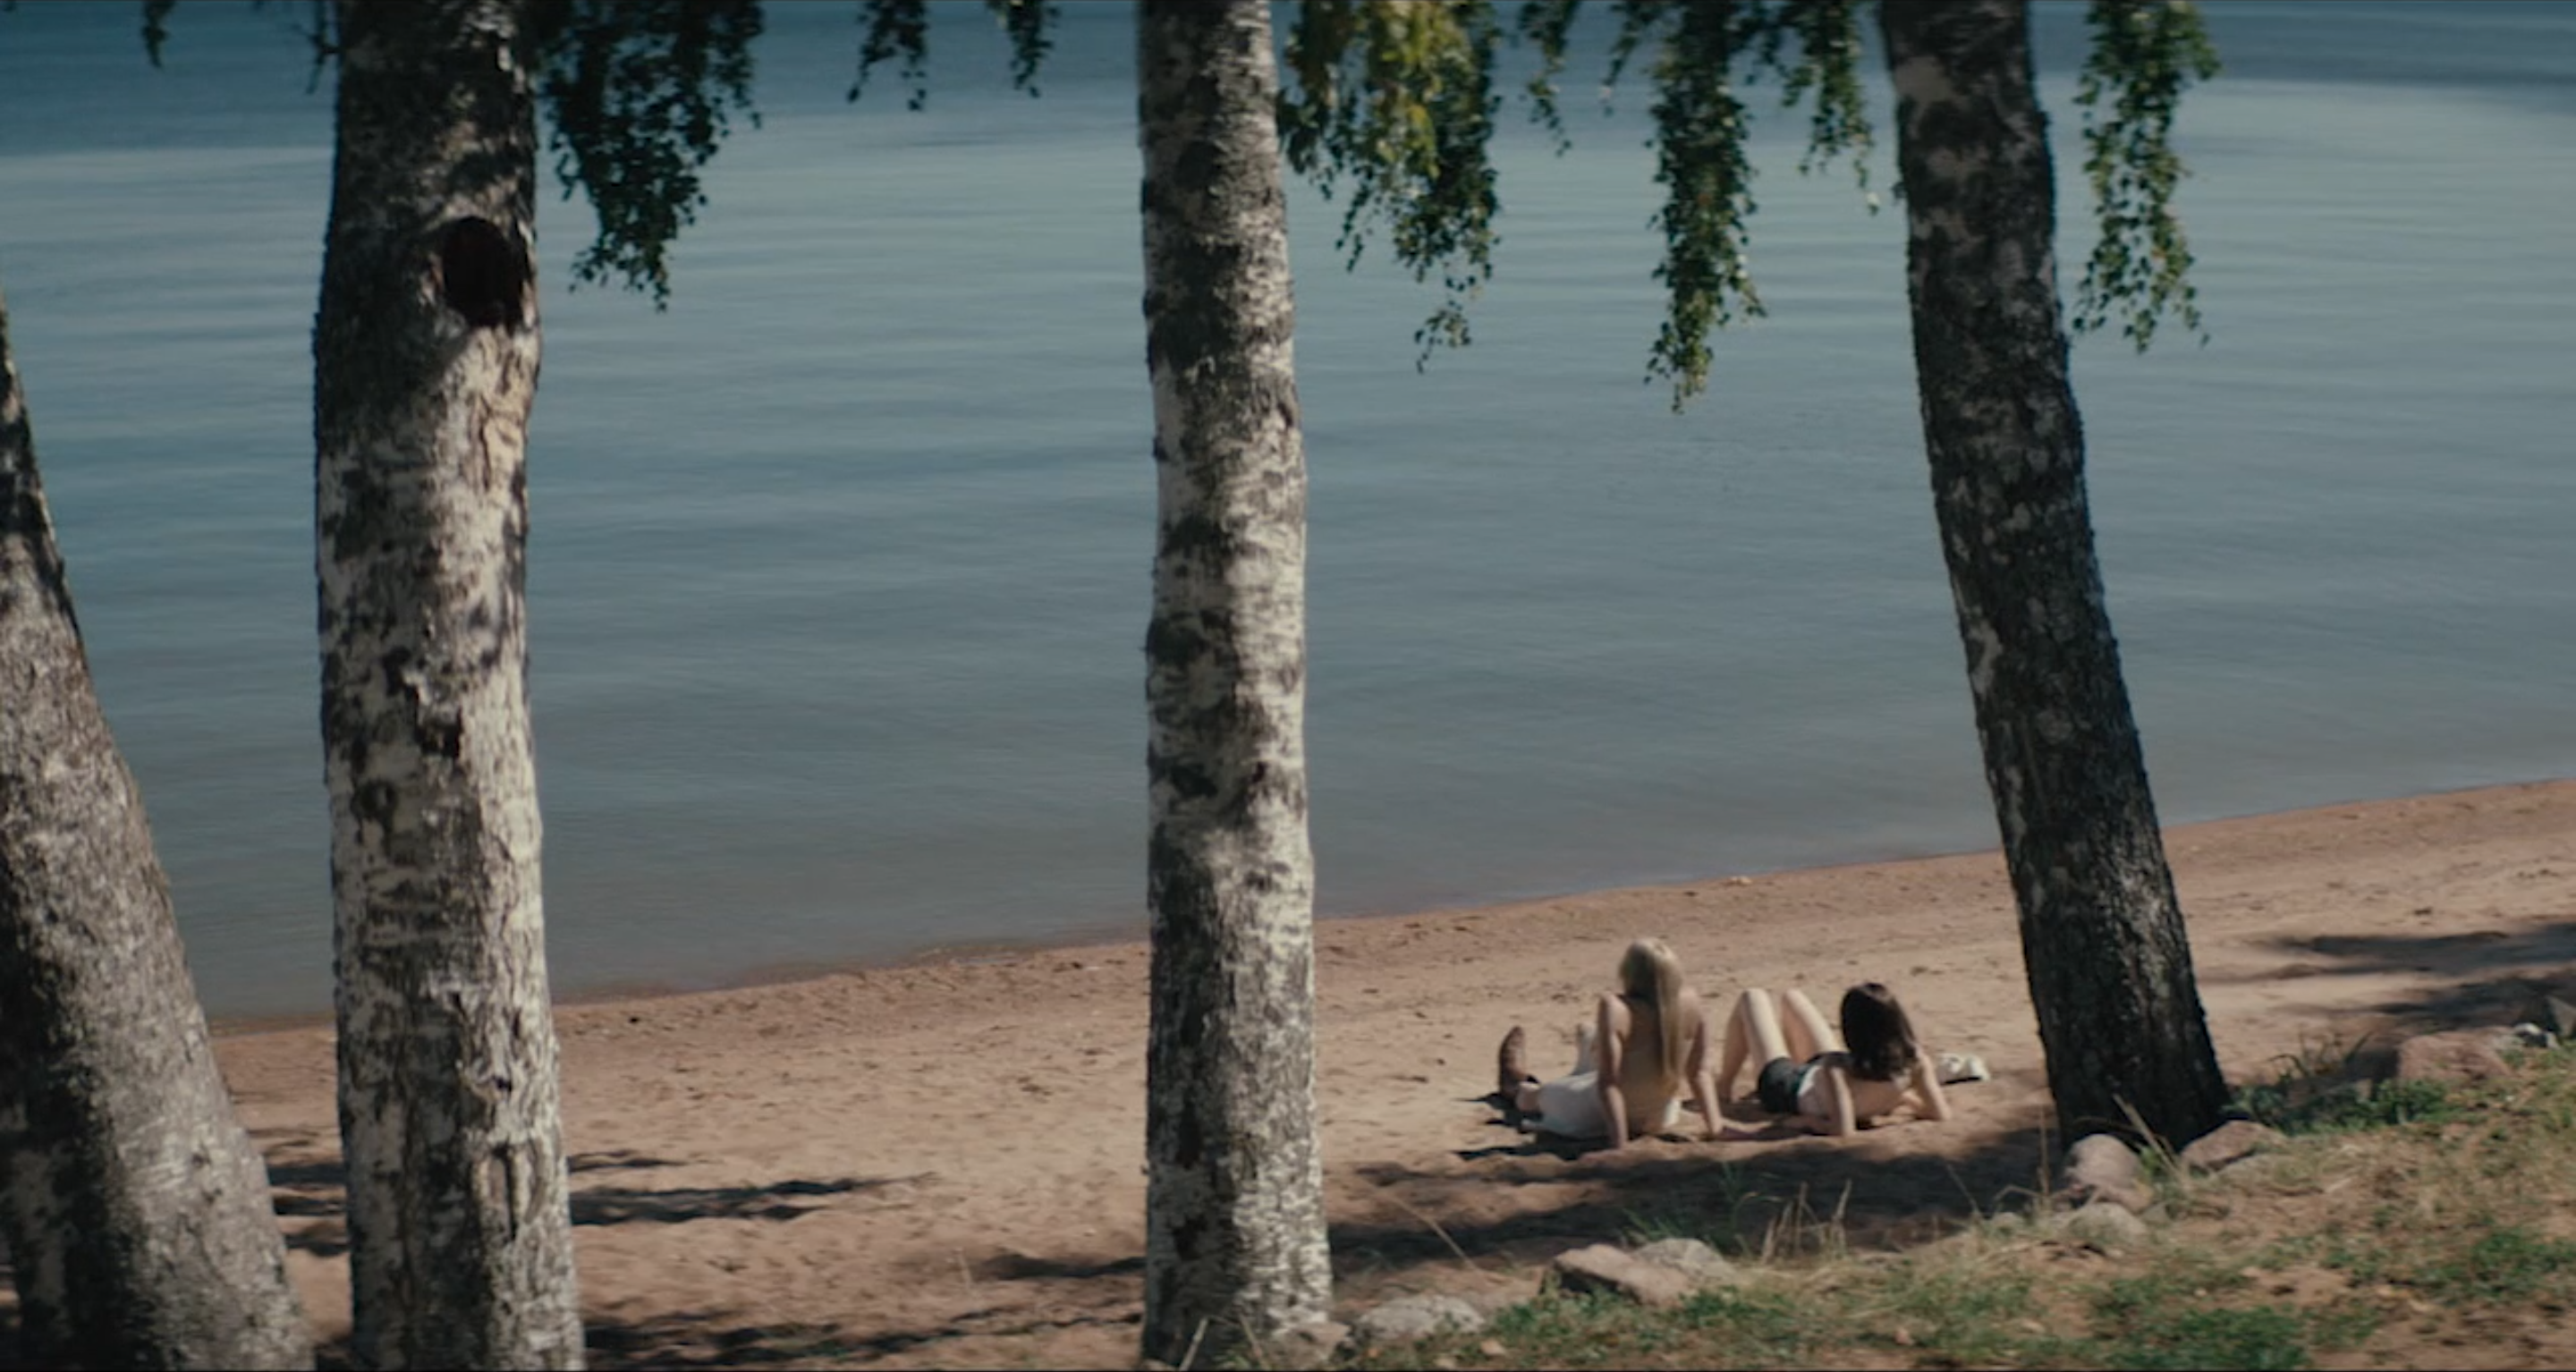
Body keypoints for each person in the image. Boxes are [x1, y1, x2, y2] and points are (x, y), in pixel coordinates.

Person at [1495, 937, 1724, 1148]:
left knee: (1533, 1095)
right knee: (1589, 1033)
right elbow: (1699, 1074)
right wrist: (1716, 1127)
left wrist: (1619, 1143)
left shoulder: (1616, 1009)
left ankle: (1516, 1084)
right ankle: (1580, 1060)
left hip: (1596, 1114)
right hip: (1661, 1113)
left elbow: (1609, 1084)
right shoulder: (1691, 1003)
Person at [1715, 982, 1953, 1138]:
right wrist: (1899, 1098)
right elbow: (1939, 1113)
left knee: (1752, 997)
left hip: (1787, 1088)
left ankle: (1724, 1085)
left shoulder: (1838, 1069)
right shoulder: (1915, 1061)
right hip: (1824, 1074)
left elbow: (1843, 1129)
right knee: (1792, 997)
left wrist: (1806, 1122)